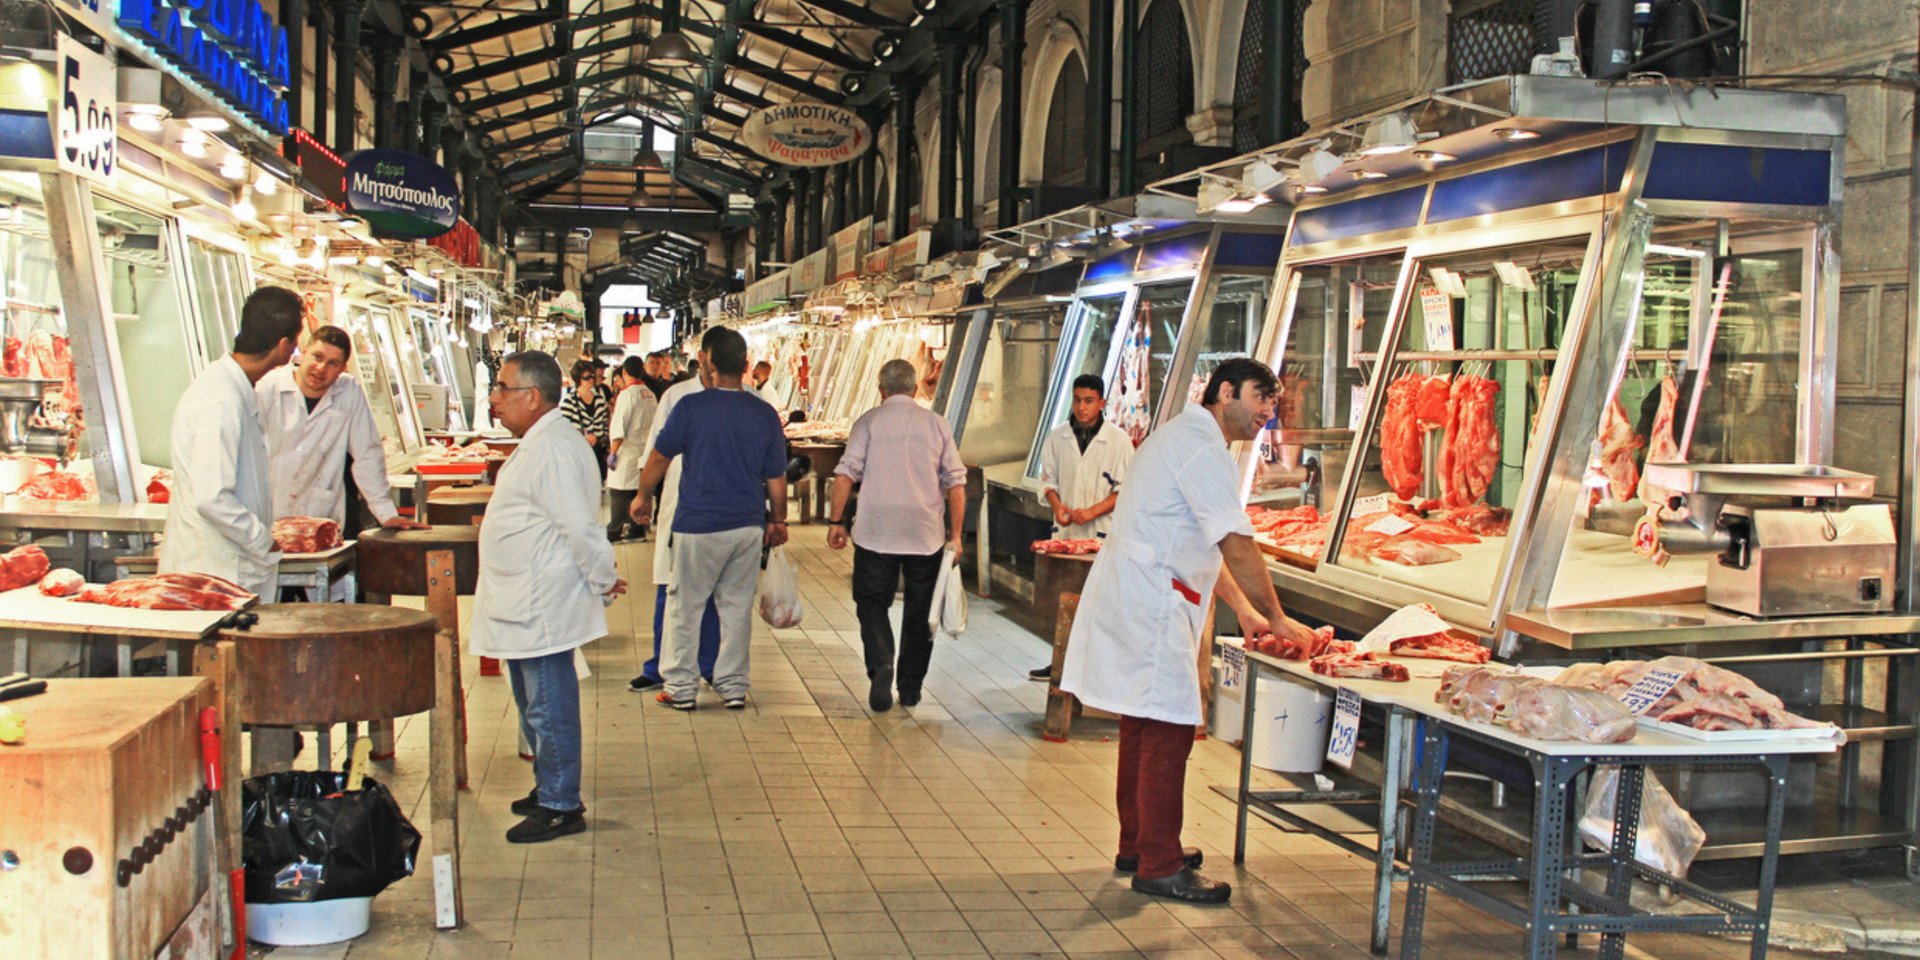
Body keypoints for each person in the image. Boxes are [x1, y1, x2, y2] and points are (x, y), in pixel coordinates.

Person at [1059, 357, 1318, 905]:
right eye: (1259, 397)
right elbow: (1235, 541)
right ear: (1225, 393)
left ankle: (1139, 844)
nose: (1267, 412)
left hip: (1143, 591)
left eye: (1272, 402)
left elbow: (1201, 539)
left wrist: (1245, 611)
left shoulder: (1186, 437)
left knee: (1143, 722)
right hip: (1151, 600)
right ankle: (1159, 863)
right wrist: (1276, 616)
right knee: (1170, 729)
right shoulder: (1201, 447)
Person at [473, 350, 624, 844]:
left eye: (502, 389)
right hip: (524, 597)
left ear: (532, 397)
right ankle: (548, 787)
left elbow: (579, 527)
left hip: (541, 598)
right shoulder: (542, 440)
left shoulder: (553, 447)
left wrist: (603, 577)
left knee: (548, 702)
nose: (495, 399)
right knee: (531, 700)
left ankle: (561, 803)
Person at [631, 326, 788, 710]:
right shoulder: (764, 413)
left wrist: (642, 495)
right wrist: (778, 520)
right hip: (747, 526)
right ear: (746, 365)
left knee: (685, 607)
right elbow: (777, 476)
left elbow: (658, 458)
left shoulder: (691, 407)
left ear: (709, 362)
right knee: (735, 608)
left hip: (697, 525)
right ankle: (733, 686)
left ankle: (682, 689)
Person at [825, 359, 966, 712]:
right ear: (916, 389)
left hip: (876, 532)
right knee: (921, 611)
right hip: (924, 533)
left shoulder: (868, 423)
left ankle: (882, 662)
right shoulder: (936, 425)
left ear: (881, 389)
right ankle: (911, 686)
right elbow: (956, 483)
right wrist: (957, 535)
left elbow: (845, 475)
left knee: (872, 603)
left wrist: (837, 521)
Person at [160, 286, 301, 598]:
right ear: (282, 345)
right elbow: (211, 497)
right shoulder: (222, 399)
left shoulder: (231, 387)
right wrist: (262, 540)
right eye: (295, 343)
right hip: (216, 571)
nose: (295, 352)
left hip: (226, 566)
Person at [256, 325, 426, 535]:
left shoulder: (348, 391)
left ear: (343, 368)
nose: (321, 368)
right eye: (317, 357)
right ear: (303, 352)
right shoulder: (268, 387)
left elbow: (367, 454)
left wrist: (386, 513)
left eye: (332, 363)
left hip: (323, 519)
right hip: (269, 512)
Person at [1028, 373, 1134, 681]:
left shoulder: (1118, 441)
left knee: (1098, 603)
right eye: (1077, 400)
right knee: (1062, 599)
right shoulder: (1057, 436)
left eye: (1089, 401)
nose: (1081, 407)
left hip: (1101, 535)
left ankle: (1095, 671)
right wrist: (1058, 507)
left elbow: (1123, 489)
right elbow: (1048, 481)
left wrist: (1091, 512)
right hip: (1066, 534)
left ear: (1102, 403)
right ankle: (1060, 663)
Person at [625, 360, 723, 693]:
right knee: (669, 588)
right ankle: (658, 666)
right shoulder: (677, 395)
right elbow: (656, 449)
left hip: (725, 509)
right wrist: (645, 493)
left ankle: (710, 666)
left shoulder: (745, 397)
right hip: (679, 502)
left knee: (715, 592)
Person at [606, 355, 658, 542]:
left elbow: (619, 427)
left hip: (626, 452)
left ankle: (615, 530)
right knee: (639, 491)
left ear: (625, 373)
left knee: (619, 492)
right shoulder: (649, 394)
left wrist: (612, 452)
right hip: (644, 451)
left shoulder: (627, 395)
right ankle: (638, 529)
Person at [561, 360, 610, 480]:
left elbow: (604, 425)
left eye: (592, 376)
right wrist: (583, 438)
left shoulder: (600, 400)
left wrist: (602, 441)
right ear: (578, 379)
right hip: (577, 452)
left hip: (597, 451)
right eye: (587, 377)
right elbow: (564, 428)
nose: (591, 380)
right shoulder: (569, 401)